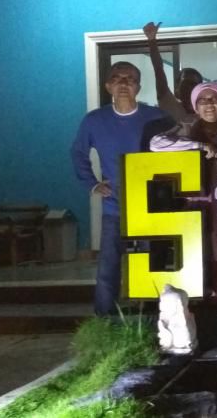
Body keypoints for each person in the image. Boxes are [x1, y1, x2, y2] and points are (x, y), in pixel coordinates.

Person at [71, 61, 166, 315]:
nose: (123, 83)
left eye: (130, 78)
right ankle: (104, 321)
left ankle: (154, 318)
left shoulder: (156, 117)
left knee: (152, 263)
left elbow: (175, 150)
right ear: (107, 86)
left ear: (139, 87)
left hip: (150, 205)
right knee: (108, 267)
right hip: (114, 206)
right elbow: (78, 153)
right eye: (117, 78)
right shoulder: (94, 121)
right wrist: (92, 184)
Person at [150, 82, 217, 296]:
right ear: (195, 106)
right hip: (197, 199)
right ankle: (203, 297)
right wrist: (199, 146)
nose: (209, 104)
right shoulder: (187, 126)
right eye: (202, 100)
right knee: (199, 248)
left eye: (213, 99)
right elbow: (156, 144)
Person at [143, 22, 202, 124]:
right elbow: (158, 70)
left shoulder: (207, 111)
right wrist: (152, 40)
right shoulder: (170, 105)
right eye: (186, 84)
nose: (189, 88)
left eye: (193, 84)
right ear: (177, 88)